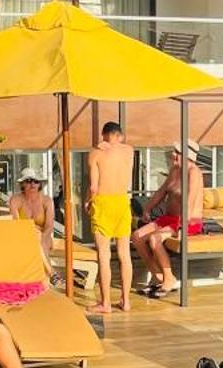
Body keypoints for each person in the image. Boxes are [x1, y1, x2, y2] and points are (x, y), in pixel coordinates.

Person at [131, 144, 206, 297]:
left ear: (188, 156)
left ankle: (169, 279)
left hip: (188, 220)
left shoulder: (194, 173)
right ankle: (157, 275)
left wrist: (182, 226)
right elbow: (161, 192)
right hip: (168, 219)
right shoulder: (175, 170)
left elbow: (190, 201)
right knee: (137, 237)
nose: (173, 155)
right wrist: (148, 208)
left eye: (177, 153)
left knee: (154, 239)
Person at [87, 122, 135, 315]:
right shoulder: (129, 150)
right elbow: (120, 146)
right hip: (122, 202)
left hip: (104, 203)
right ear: (120, 135)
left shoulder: (96, 154)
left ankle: (106, 303)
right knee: (125, 254)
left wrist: (88, 202)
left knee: (104, 255)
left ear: (103, 135)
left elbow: (93, 187)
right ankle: (126, 301)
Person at [8, 171, 54, 273]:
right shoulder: (16, 200)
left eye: (36, 181)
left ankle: (50, 274)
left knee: (41, 241)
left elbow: (49, 226)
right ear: (22, 184)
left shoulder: (46, 200)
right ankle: (52, 273)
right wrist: (31, 233)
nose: (32, 184)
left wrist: (41, 236)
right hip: (22, 236)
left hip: (44, 236)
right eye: (28, 181)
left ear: (40, 184)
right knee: (36, 240)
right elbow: (16, 224)